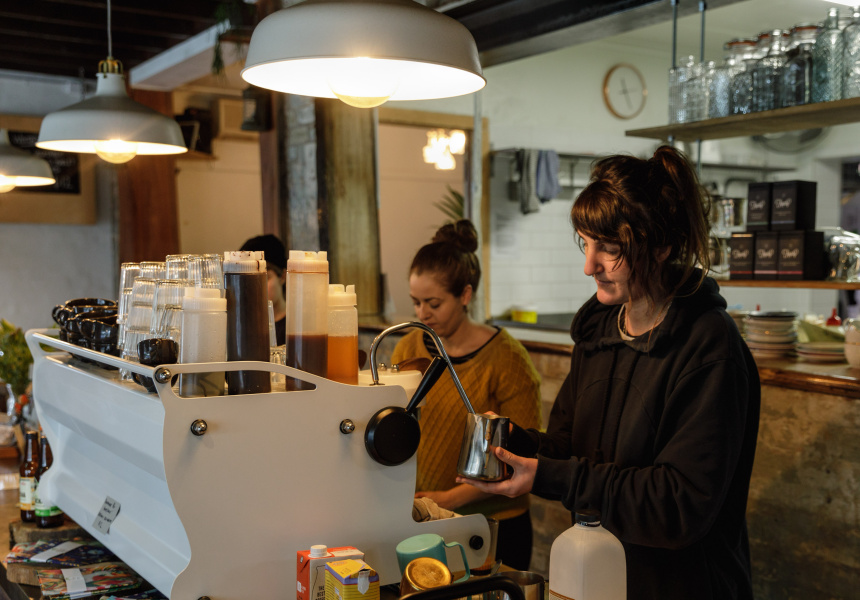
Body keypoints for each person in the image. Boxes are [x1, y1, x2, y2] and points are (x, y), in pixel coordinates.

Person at [460, 146, 761, 600]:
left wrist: (548, 476)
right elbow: (569, 446)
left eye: (610, 250)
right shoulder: (601, 331)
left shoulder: (709, 347)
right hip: (599, 576)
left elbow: (678, 504)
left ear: (660, 247)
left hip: (681, 587)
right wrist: (512, 445)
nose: (589, 266)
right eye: (586, 244)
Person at [391, 219, 542, 571]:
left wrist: (450, 498)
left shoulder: (508, 360)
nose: (422, 314)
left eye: (433, 303)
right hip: (426, 518)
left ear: (465, 295)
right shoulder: (408, 348)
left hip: (494, 525)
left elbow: (521, 457)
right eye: (416, 302)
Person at [240, 234, 287, 346]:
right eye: (250, 280)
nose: (256, 288)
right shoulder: (243, 327)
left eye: (265, 278)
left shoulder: (296, 326)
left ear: (283, 276)